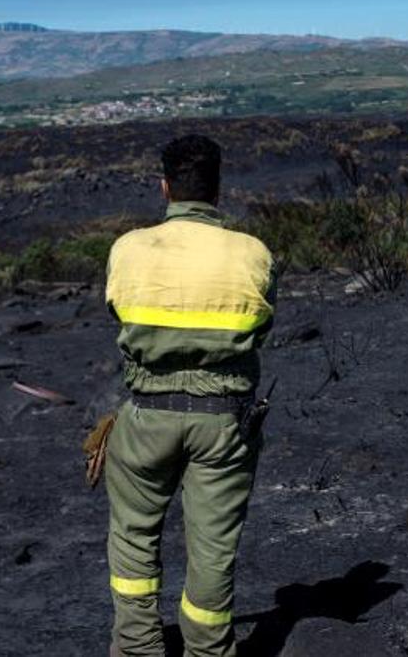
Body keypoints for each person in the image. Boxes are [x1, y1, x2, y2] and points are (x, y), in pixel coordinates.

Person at [103, 134, 276, 656]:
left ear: (166, 187)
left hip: (146, 417)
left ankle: (138, 649)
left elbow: (117, 318)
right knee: (213, 550)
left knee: (133, 542)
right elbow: (260, 331)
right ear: (218, 189)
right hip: (224, 423)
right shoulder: (252, 253)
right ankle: (208, 651)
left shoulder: (128, 248)